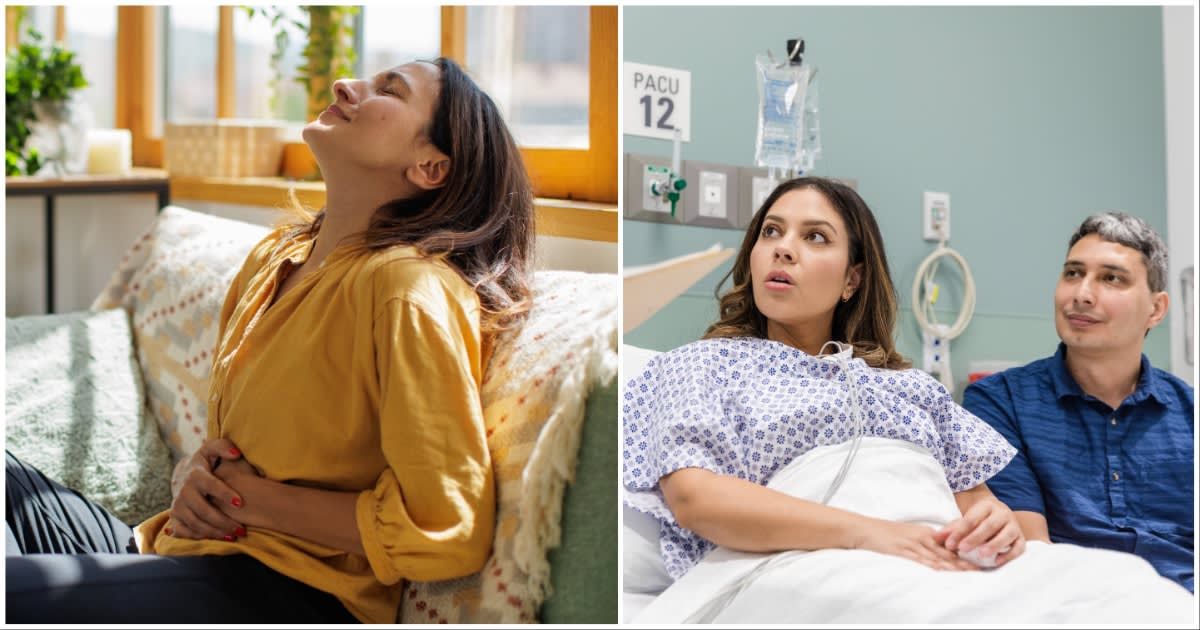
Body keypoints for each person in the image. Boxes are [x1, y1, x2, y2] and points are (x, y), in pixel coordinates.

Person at [6, 57, 535, 623]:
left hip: (280, 593)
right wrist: (192, 478)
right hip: (173, 552)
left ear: (430, 166)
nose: (345, 85)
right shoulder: (276, 258)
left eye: (390, 90)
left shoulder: (406, 289)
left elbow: (447, 529)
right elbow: (240, 450)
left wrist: (246, 502)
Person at [622, 176, 1027, 581]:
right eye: (771, 231)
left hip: (945, 560)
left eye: (815, 237)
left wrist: (997, 522)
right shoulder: (702, 366)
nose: (783, 248)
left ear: (853, 279)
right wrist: (870, 534)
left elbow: (977, 504)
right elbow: (696, 499)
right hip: (809, 568)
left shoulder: (913, 388)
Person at [962, 212, 1194, 592]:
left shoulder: (1189, 414)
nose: (1081, 294)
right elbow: (1029, 553)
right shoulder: (1000, 403)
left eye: (1111, 278)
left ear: (1156, 309)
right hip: (1071, 601)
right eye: (1072, 273)